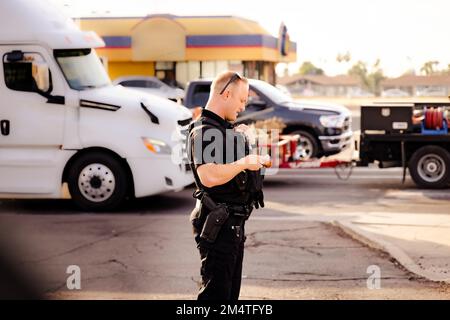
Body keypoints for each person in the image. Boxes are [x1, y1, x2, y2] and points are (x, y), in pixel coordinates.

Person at [187, 71, 266, 300]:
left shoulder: (221, 129)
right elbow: (208, 176)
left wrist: (240, 141)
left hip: (231, 225)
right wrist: (244, 162)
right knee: (216, 298)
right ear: (227, 94)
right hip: (219, 226)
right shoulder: (204, 130)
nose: (243, 107)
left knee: (229, 297)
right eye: (241, 100)